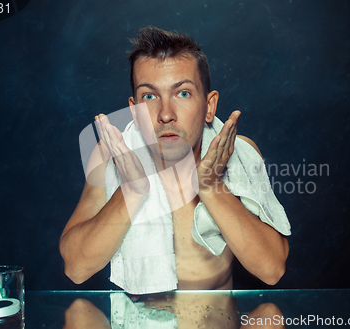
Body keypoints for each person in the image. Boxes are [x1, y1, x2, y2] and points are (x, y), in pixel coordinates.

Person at [59, 26, 290, 293]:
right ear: (135, 111)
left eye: (183, 93)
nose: (166, 114)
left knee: (269, 318)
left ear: (209, 106)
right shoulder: (112, 154)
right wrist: (131, 191)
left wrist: (210, 186)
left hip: (216, 320)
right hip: (137, 322)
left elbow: (272, 270)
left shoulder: (239, 152)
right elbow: (75, 268)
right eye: (149, 96)